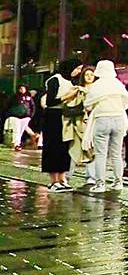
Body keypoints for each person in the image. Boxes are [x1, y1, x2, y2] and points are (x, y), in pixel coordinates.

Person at [83, 60, 128, 194]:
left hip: (102, 119)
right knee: (116, 154)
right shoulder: (118, 84)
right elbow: (126, 103)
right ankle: (118, 182)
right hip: (119, 120)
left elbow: (87, 104)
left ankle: (100, 184)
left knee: (100, 154)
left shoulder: (96, 86)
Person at [41, 59, 81, 192]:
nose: (78, 72)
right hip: (53, 116)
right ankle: (53, 181)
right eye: (77, 68)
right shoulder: (55, 79)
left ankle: (63, 178)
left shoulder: (70, 81)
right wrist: (68, 96)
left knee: (64, 147)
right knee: (53, 147)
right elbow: (50, 101)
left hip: (65, 116)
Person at [61, 66, 96, 185]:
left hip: (92, 123)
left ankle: (91, 177)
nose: (90, 77)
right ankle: (66, 175)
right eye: (87, 74)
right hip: (78, 122)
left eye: (92, 74)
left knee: (92, 151)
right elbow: (67, 103)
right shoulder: (77, 89)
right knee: (74, 149)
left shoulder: (98, 89)